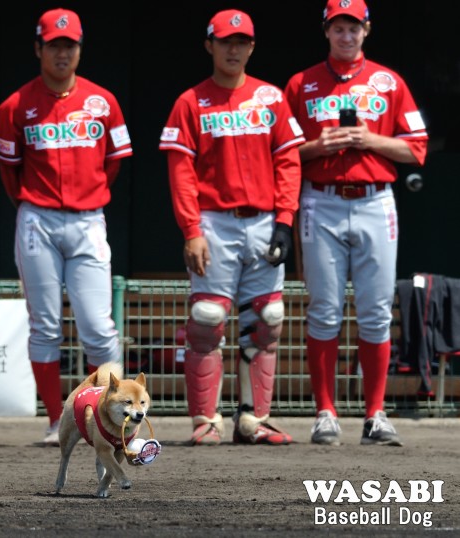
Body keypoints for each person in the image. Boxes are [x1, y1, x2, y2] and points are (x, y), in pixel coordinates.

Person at [284, 0, 428, 446]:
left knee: (376, 311)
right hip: (321, 199)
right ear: (326, 31)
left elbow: (416, 148)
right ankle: (325, 413)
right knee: (324, 309)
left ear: (366, 30)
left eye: (353, 28)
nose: (346, 36)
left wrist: (371, 139)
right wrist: (319, 145)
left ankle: (375, 414)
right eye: (338, 28)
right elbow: (281, 151)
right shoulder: (301, 83)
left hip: (374, 200)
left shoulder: (389, 81)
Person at [159, 9, 305, 446]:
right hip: (214, 223)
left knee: (268, 319)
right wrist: (191, 230)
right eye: (225, 41)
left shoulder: (271, 97)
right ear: (210, 45)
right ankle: (206, 420)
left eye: (242, 42)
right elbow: (181, 173)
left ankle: (253, 419)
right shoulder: (190, 101)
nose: (234, 49)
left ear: (252, 47)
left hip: (263, 220)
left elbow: (288, 163)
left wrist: (285, 223)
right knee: (208, 319)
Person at [0, 8, 133, 446]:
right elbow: (9, 171)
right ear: (38, 48)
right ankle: (58, 421)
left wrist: (88, 194)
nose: (62, 53)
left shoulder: (103, 101)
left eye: (69, 45)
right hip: (37, 218)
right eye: (53, 45)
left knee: (99, 328)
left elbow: (113, 164)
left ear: (79, 49)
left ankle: (109, 419)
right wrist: (35, 203)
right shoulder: (14, 105)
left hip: (89, 218)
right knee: (45, 327)